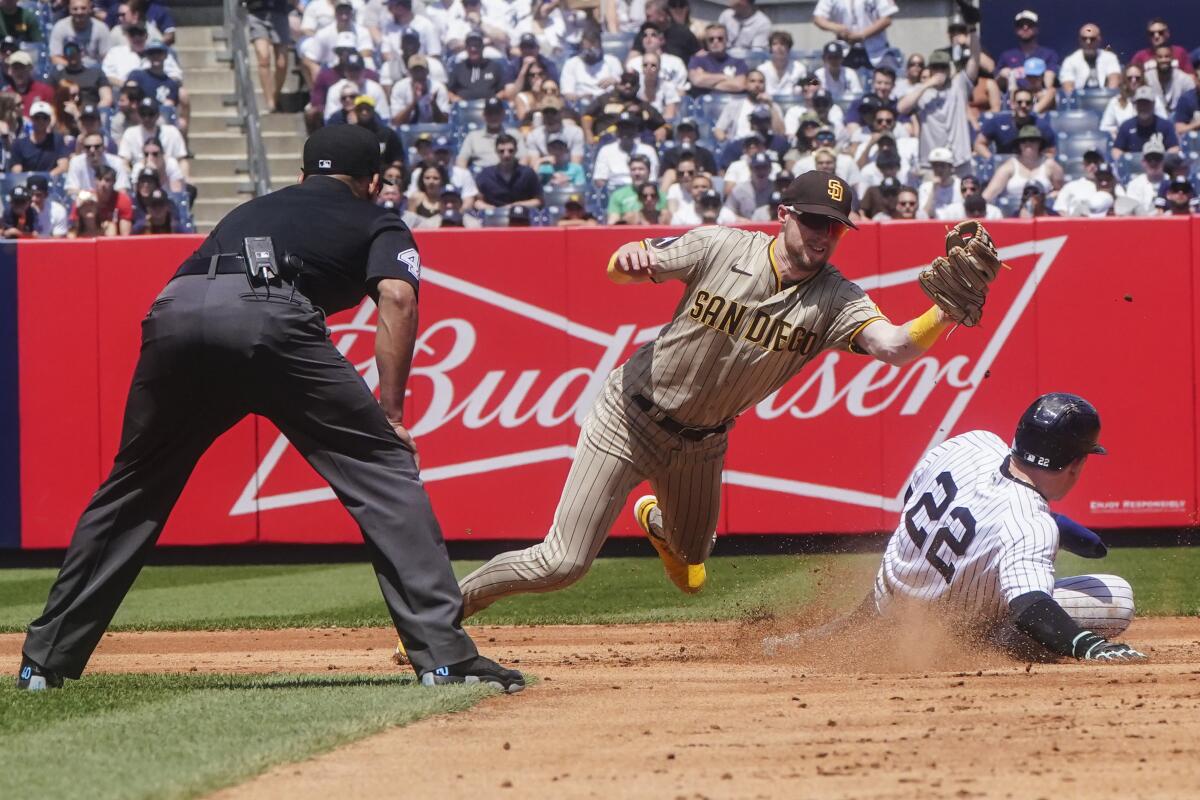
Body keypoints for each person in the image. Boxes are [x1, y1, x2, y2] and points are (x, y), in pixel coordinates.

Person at [16, 124, 525, 694]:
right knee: (383, 469)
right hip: (270, 318)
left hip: (176, 308)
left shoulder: (253, 208)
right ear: (375, 182)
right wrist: (391, 413)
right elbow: (399, 298)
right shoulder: (378, 218)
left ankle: (44, 661)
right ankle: (443, 656)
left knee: (135, 485)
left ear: (302, 174)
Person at [455, 171, 983, 617]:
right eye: (815, 220)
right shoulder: (722, 244)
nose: (825, 234)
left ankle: (657, 522)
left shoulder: (835, 298)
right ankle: (442, 615)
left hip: (701, 445)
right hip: (629, 416)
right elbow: (621, 266)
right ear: (784, 214)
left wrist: (945, 313)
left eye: (836, 227)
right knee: (561, 564)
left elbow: (892, 346)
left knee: (693, 565)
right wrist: (627, 261)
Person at [766, 394, 1144, 665]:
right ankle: (991, 643)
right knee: (1118, 597)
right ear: (1076, 464)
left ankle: (821, 637)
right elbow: (1031, 607)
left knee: (982, 561)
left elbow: (913, 496)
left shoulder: (972, 443)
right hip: (941, 633)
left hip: (888, 594)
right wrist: (1089, 646)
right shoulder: (1029, 523)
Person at [898, 33, 979, 174]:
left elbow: (974, 58)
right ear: (930, 69)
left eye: (943, 67)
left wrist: (972, 30)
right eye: (936, 67)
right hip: (932, 163)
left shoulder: (959, 84)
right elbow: (901, 108)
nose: (940, 71)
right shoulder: (921, 92)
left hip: (959, 162)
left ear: (949, 69)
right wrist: (928, 84)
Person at [982, 125, 1063, 204]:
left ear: (1040, 143)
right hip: (1015, 214)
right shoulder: (1009, 167)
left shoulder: (1050, 165)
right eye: (1023, 141)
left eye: (1032, 140)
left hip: (1043, 213)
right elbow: (988, 195)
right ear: (1019, 144)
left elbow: (1063, 193)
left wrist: (1054, 195)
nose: (1028, 144)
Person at [812, 0, 898, 70]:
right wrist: (836, 28)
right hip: (845, 50)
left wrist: (862, 35)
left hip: (877, 51)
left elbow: (887, 19)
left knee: (886, 79)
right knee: (816, 79)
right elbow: (818, 18)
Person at [126, 37, 188, 133]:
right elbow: (129, 97)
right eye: (152, 53)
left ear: (165, 55)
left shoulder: (171, 83)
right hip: (138, 116)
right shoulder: (137, 75)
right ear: (147, 56)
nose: (156, 56)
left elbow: (168, 107)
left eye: (159, 53)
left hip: (159, 120)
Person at [974, 87, 1055, 157]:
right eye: (1019, 102)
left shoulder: (1041, 126)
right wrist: (992, 158)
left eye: (1028, 103)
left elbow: (1051, 152)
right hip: (1004, 168)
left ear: (1032, 105)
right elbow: (979, 144)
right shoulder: (998, 122)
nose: (1023, 105)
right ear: (1012, 104)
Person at [119, 96, 188, 178]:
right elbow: (124, 162)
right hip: (141, 180)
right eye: (143, 114)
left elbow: (182, 160)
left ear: (158, 115)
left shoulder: (172, 132)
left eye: (150, 114)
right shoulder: (130, 133)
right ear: (138, 115)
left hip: (168, 177)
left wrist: (186, 178)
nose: (147, 118)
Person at [996, 10, 1058, 94]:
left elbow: (1049, 83)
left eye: (1030, 25)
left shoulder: (1049, 54)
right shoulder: (1006, 56)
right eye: (1021, 25)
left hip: (1039, 96)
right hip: (1015, 99)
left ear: (1037, 29)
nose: (1025, 28)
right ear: (1016, 30)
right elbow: (996, 83)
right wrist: (1001, 75)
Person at [474, 133, 542, 211]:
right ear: (496, 151)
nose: (506, 154)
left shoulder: (528, 173)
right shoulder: (486, 174)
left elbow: (538, 201)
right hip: (493, 219)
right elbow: (477, 202)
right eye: (501, 151)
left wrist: (516, 205)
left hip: (522, 218)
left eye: (510, 151)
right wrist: (494, 210)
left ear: (516, 150)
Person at [592, 111, 659, 188]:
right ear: (616, 132)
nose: (625, 132)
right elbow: (600, 179)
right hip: (614, 191)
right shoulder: (606, 150)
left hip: (641, 191)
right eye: (622, 128)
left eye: (629, 128)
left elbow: (652, 179)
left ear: (636, 131)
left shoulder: (648, 150)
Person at [1113, 86, 1180, 160]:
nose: (1143, 107)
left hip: (1158, 167)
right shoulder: (1126, 126)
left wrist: (1161, 161)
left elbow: (1174, 148)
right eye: (1140, 103)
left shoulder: (1166, 126)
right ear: (1135, 105)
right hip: (1133, 169)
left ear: (1153, 104)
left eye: (1146, 103)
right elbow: (1116, 150)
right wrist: (1126, 160)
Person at [457, 97, 525, 169]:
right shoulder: (473, 136)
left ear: (503, 114)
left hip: (509, 175)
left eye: (497, 113)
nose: (494, 117)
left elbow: (524, 158)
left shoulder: (514, 134)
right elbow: (461, 160)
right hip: (481, 175)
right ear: (484, 115)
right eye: (490, 113)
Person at [1100, 64, 1166, 138]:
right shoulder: (1115, 102)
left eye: (1137, 78)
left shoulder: (1154, 100)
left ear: (1142, 79)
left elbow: (1164, 123)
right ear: (1125, 79)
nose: (1133, 81)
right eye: (1129, 78)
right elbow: (1104, 127)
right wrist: (1116, 132)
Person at [560, 28, 624, 103]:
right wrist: (580, 97)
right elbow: (567, 93)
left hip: (608, 103)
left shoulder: (612, 61)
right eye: (587, 49)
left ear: (600, 46)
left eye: (594, 48)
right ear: (582, 46)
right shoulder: (571, 63)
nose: (590, 52)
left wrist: (614, 81)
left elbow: (622, 84)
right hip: (582, 104)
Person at [11, 101, 71, 175]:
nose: (41, 121)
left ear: (49, 120)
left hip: (50, 183)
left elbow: (63, 166)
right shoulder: (19, 144)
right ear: (31, 119)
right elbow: (16, 169)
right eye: (37, 118)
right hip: (27, 183)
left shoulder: (57, 140)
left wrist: (45, 178)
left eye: (44, 118)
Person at [687, 23, 747, 96]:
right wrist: (726, 77)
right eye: (711, 39)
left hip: (730, 104)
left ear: (727, 40)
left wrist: (705, 78)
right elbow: (696, 80)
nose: (715, 42)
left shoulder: (738, 62)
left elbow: (739, 85)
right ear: (706, 42)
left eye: (720, 39)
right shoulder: (696, 60)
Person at [1058, 23, 1120, 94]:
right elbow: (1068, 89)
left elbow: (1114, 83)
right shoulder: (1070, 61)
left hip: (1104, 100)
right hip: (1080, 101)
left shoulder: (1110, 57)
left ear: (1099, 40)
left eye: (1092, 39)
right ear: (1079, 40)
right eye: (1084, 39)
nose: (1088, 42)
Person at [447, 29, 506, 101]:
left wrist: (494, 100)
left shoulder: (494, 67)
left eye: (476, 45)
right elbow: (449, 91)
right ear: (466, 48)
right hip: (464, 108)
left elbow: (503, 91)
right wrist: (456, 100)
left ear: (482, 47)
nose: (473, 49)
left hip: (489, 109)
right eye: (470, 46)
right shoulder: (458, 68)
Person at [389, 54, 449, 125]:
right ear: (409, 72)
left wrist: (434, 105)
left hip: (432, 132)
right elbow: (396, 122)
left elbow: (444, 122)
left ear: (427, 71)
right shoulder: (399, 87)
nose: (419, 74)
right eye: (415, 71)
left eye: (421, 70)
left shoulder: (438, 88)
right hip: (407, 133)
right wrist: (413, 103)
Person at [52, 39, 113, 108]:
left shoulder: (96, 73)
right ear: (64, 55)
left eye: (75, 51)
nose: (72, 54)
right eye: (69, 51)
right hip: (66, 114)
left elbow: (106, 99)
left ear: (81, 53)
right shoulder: (57, 76)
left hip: (91, 114)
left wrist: (95, 112)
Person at [66, 131, 130, 196]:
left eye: (97, 147)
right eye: (88, 147)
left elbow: (122, 190)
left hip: (110, 203)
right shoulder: (76, 162)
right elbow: (71, 190)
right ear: (83, 149)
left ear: (104, 148)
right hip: (86, 202)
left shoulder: (116, 162)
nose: (92, 150)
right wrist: (91, 196)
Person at [51, 0, 110, 68]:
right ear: (69, 9)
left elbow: (106, 58)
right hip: (68, 70)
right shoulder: (60, 27)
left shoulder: (101, 28)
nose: (79, 12)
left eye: (83, 8)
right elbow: (55, 58)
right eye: (75, 9)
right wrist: (77, 68)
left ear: (90, 9)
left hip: (93, 72)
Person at [1130, 18, 1195, 77]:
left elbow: (1191, 78)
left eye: (1160, 32)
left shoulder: (1180, 52)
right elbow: (1130, 78)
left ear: (1167, 34)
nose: (1156, 36)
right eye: (1152, 33)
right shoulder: (1140, 56)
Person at [1144, 43, 1194, 116]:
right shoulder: (1146, 78)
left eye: (1167, 56)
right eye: (1160, 57)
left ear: (1172, 58)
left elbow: (1193, 103)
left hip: (1180, 118)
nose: (1163, 60)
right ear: (1154, 58)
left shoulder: (1184, 79)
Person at [604, 153, 657, 222]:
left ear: (649, 172)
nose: (637, 173)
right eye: (633, 169)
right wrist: (627, 219)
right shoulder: (618, 195)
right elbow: (612, 223)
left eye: (641, 169)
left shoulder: (659, 195)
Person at [1125, 138, 1168, 215]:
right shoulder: (1134, 185)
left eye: (1157, 158)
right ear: (1143, 162)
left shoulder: (1171, 182)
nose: (1153, 162)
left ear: (1163, 161)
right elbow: (1131, 212)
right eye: (1149, 159)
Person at [6, 50, 56, 115]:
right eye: (15, 68)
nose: (19, 72)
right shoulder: (6, 94)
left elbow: (54, 116)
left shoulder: (45, 91)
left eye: (22, 67)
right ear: (9, 71)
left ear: (30, 69)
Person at [917, 146, 961, 219]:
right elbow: (924, 215)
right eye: (935, 166)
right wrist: (934, 189)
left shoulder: (960, 185)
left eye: (942, 166)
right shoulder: (925, 188)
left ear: (950, 167)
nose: (938, 169)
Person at [759, 30, 806, 97]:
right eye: (775, 44)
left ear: (789, 48)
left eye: (783, 44)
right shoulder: (762, 69)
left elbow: (811, 84)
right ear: (770, 48)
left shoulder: (799, 68)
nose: (779, 47)